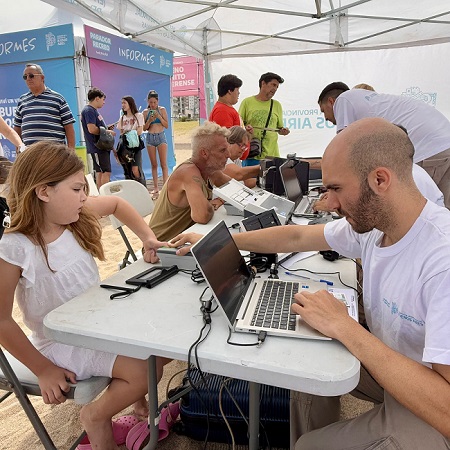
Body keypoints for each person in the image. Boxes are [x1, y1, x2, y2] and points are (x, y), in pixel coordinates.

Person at [171, 118, 450, 450]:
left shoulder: (440, 261)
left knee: (308, 446)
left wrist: (344, 327)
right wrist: (225, 241)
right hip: (396, 368)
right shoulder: (378, 226)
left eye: (335, 188)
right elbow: (297, 234)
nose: (329, 204)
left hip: (432, 409)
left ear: (380, 180)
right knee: (306, 370)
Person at [0, 142, 170, 449]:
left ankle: (138, 405)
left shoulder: (72, 214)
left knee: (165, 340)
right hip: (60, 341)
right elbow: (1, 321)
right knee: (146, 367)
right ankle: (96, 417)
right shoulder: (15, 247)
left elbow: (117, 205)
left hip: (94, 322)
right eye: (78, 189)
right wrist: (43, 369)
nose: (84, 197)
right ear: (44, 192)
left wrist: (149, 239)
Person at [318, 81, 450, 208]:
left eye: (323, 110)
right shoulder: (370, 105)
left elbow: (342, 154)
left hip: (430, 150)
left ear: (331, 101)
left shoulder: (343, 99)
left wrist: (333, 193)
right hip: (443, 142)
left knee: (408, 210)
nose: (325, 118)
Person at [148, 121, 231, 241]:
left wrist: (220, 200)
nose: (228, 154)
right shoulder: (188, 172)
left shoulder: (210, 169)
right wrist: (214, 203)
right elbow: (202, 216)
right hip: (161, 246)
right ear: (204, 153)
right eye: (222, 150)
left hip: (183, 240)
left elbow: (237, 191)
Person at [13, 63, 75, 148]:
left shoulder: (58, 99)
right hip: (29, 155)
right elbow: (17, 128)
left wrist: (71, 151)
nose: (28, 79)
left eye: (31, 76)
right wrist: (18, 149)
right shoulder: (22, 100)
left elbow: (69, 127)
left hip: (54, 155)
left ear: (42, 77)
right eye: (25, 77)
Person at [239, 72, 290, 166]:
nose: (275, 89)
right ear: (263, 83)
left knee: (271, 181)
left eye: (277, 87)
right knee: (251, 181)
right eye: (273, 85)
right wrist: (246, 128)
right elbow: (239, 125)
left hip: (272, 156)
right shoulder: (247, 102)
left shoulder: (277, 105)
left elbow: (279, 128)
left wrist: (284, 131)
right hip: (252, 153)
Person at [209, 74, 253, 161]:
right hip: (229, 163)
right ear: (230, 91)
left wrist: (247, 135)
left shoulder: (226, 108)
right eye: (237, 90)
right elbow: (227, 142)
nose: (239, 93)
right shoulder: (222, 110)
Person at [80, 87, 115, 189]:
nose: (104, 102)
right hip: (97, 146)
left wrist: (105, 128)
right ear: (97, 99)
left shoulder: (92, 111)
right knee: (105, 172)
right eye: (103, 99)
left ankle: (101, 195)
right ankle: (104, 195)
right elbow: (91, 129)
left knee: (100, 172)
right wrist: (106, 131)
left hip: (100, 146)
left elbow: (96, 128)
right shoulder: (89, 110)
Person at [142, 90, 170, 199]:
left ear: (157, 101)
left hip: (161, 136)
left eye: (154, 102)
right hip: (150, 138)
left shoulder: (162, 110)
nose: (152, 104)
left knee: (164, 164)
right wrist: (149, 120)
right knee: (154, 164)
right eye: (150, 102)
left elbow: (166, 125)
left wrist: (159, 117)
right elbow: (144, 128)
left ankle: (165, 186)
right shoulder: (145, 112)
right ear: (148, 102)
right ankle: (155, 187)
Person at [115, 96, 146, 186]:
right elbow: (121, 132)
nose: (123, 105)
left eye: (124, 103)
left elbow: (140, 131)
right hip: (125, 146)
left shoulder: (138, 115)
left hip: (136, 145)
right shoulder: (122, 118)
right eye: (122, 103)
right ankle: (131, 190)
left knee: (136, 169)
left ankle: (142, 188)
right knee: (127, 169)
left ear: (130, 103)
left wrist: (129, 132)